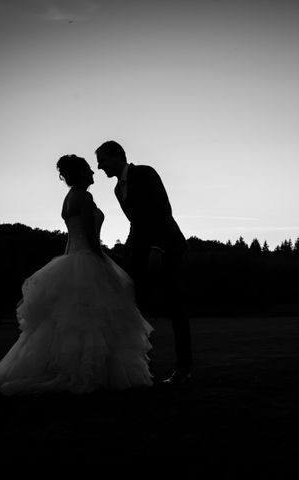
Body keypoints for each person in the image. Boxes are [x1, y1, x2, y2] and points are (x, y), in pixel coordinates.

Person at [0, 155, 153, 395]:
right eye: (90, 170)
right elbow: (91, 238)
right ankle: (88, 374)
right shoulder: (84, 196)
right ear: (82, 174)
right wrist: (105, 263)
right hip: (88, 257)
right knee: (94, 319)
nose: (94, 173)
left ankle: (79, 370)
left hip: (72, 256)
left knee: (70, 321)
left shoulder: (68, 198)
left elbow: (72, 235)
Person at [95, 140, 192, 385]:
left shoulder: (145, 173)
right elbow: (136, 223)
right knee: (137, 308)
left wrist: (157, 248)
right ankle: (143, 369)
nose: (99, 167)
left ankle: (184, 369)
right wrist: (127, 251)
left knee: (176, 308)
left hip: (166, 248)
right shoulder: (118, 189)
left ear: (117, 157)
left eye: (102, 160)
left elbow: (162, 211)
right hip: (141, 252)